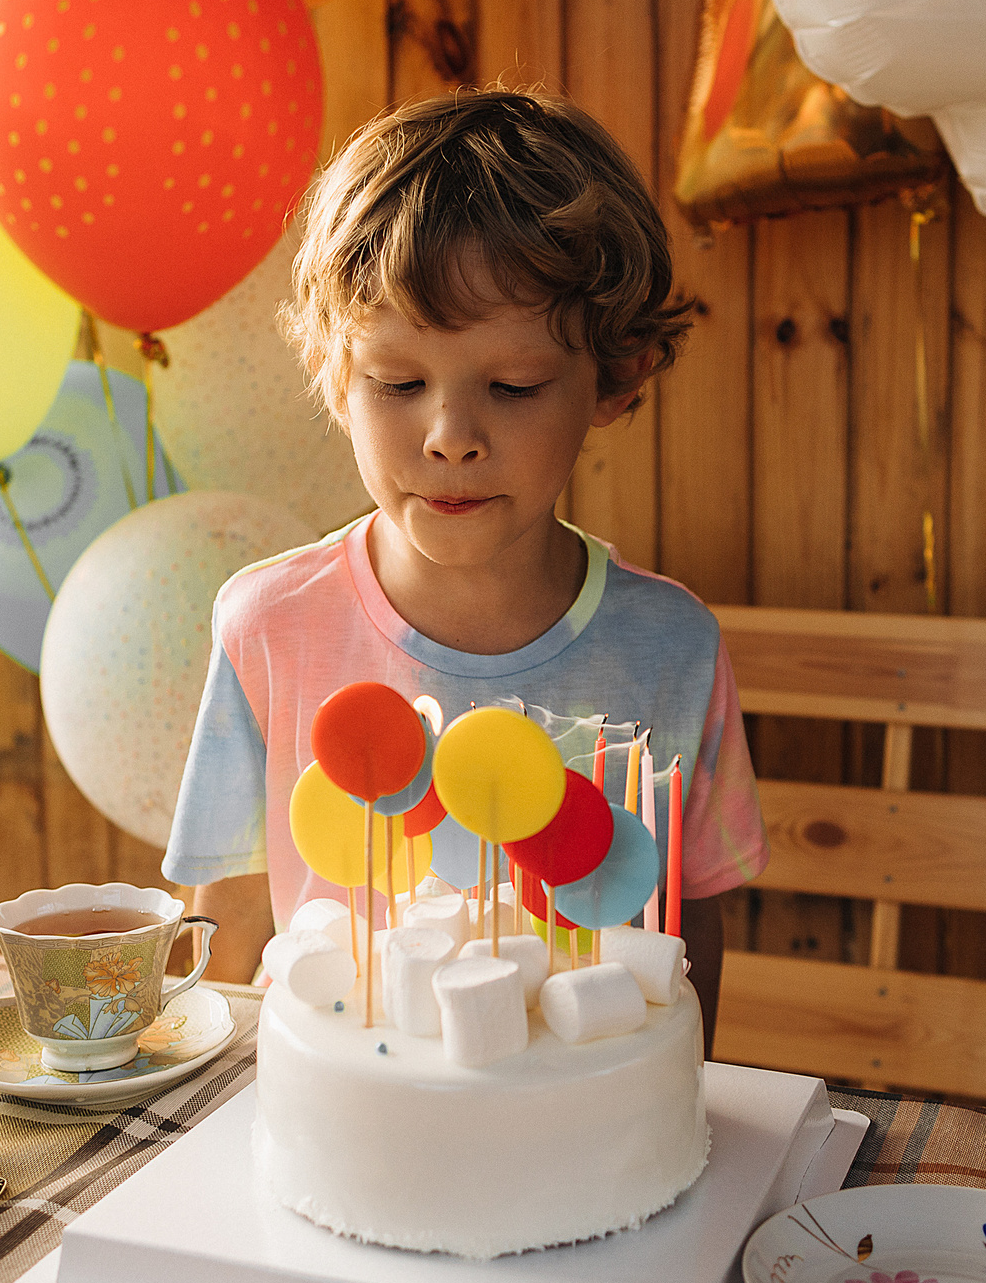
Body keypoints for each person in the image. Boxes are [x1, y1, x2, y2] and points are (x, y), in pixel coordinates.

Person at [162, 88, 767, 1047]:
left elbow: (689, 929)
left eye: (514, 385)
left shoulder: (672, 647)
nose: (451, 437)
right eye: (398, 383)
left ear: (616, 377)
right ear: (332, 370)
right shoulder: (266, 626)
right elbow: (223, 931)